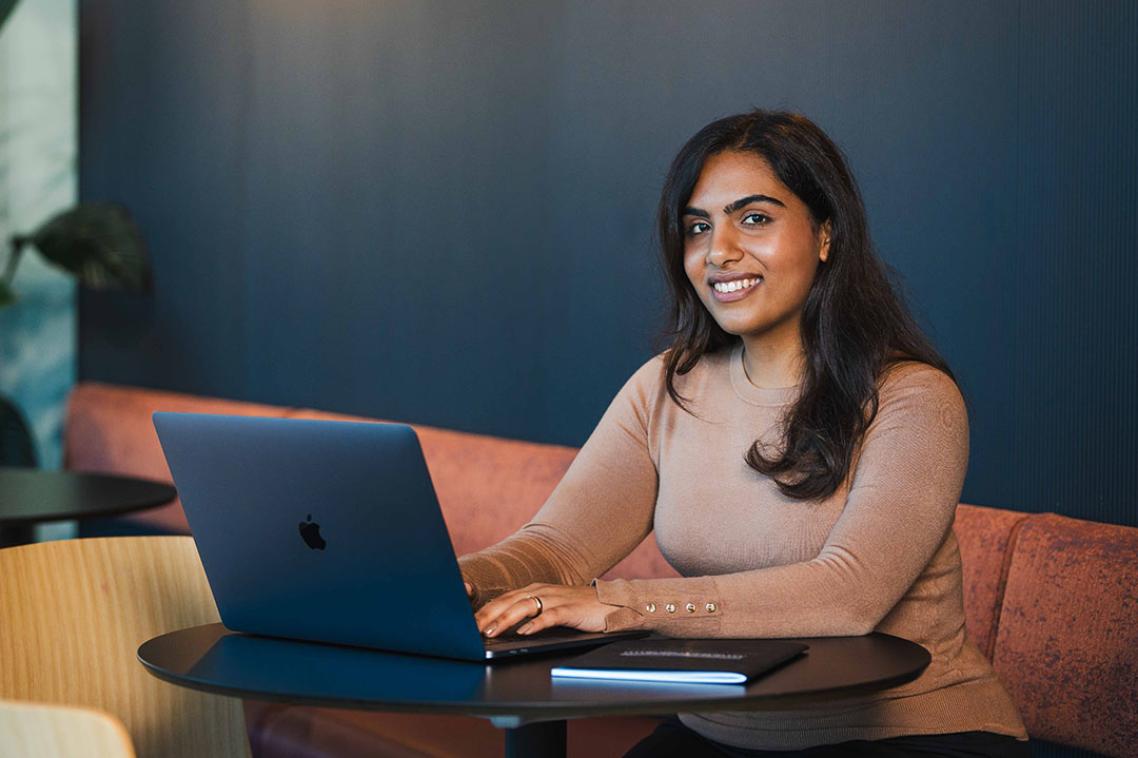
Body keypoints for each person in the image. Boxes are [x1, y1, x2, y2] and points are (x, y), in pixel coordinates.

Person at [457, 109, 1032, 757]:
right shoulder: (666, 385)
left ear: (826, 234)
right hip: (721, 730)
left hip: (911, 732)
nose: (718, 251)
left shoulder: (912, 397)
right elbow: (556, 548)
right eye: (697, 227)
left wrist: (619, 607)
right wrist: (456, 581)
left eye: (754, 218)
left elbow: (849, 595)